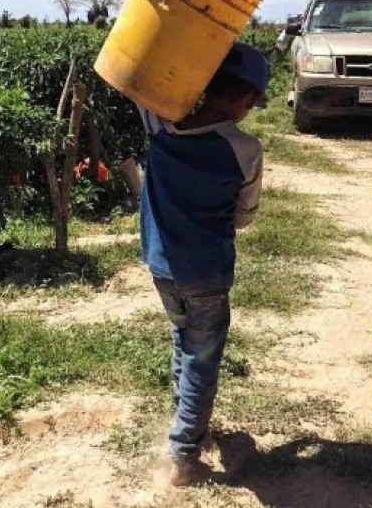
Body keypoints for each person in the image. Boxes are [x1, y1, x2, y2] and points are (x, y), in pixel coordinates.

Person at [138, 42, 269, 487]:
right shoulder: (245, 150)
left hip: (161, 268)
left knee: (182, 336)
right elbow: (245, 216)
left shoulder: (161, 127)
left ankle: (186, 419)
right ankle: (183, 454)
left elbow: (139, 75)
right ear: (248, 100)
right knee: (202, 356)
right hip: (206, 274)